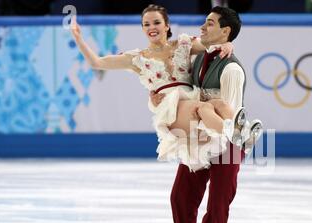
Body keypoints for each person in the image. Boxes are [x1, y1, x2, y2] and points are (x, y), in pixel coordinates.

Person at [154, 6, 262, 223]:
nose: (203, 27)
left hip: (226, 142)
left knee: (217, 206)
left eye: (210, 23)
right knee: (181, 198)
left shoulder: (232, 69)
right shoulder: (201, 55)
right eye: (204, 22)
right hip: (198, 138)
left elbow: (229, 114)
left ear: (225, 31)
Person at [70, 4, 251, 171]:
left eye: (156, 22)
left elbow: (211, 40)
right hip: (170, 108)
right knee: (203, 107)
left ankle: (245, 133)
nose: (151, 27)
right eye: (146, 24)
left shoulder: (184, 44)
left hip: (191, 96)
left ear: (166, 26)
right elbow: (97, 62)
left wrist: (228, 43)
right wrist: (79, 39)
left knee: (219, 104)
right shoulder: (137, 58)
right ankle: (234, 137)